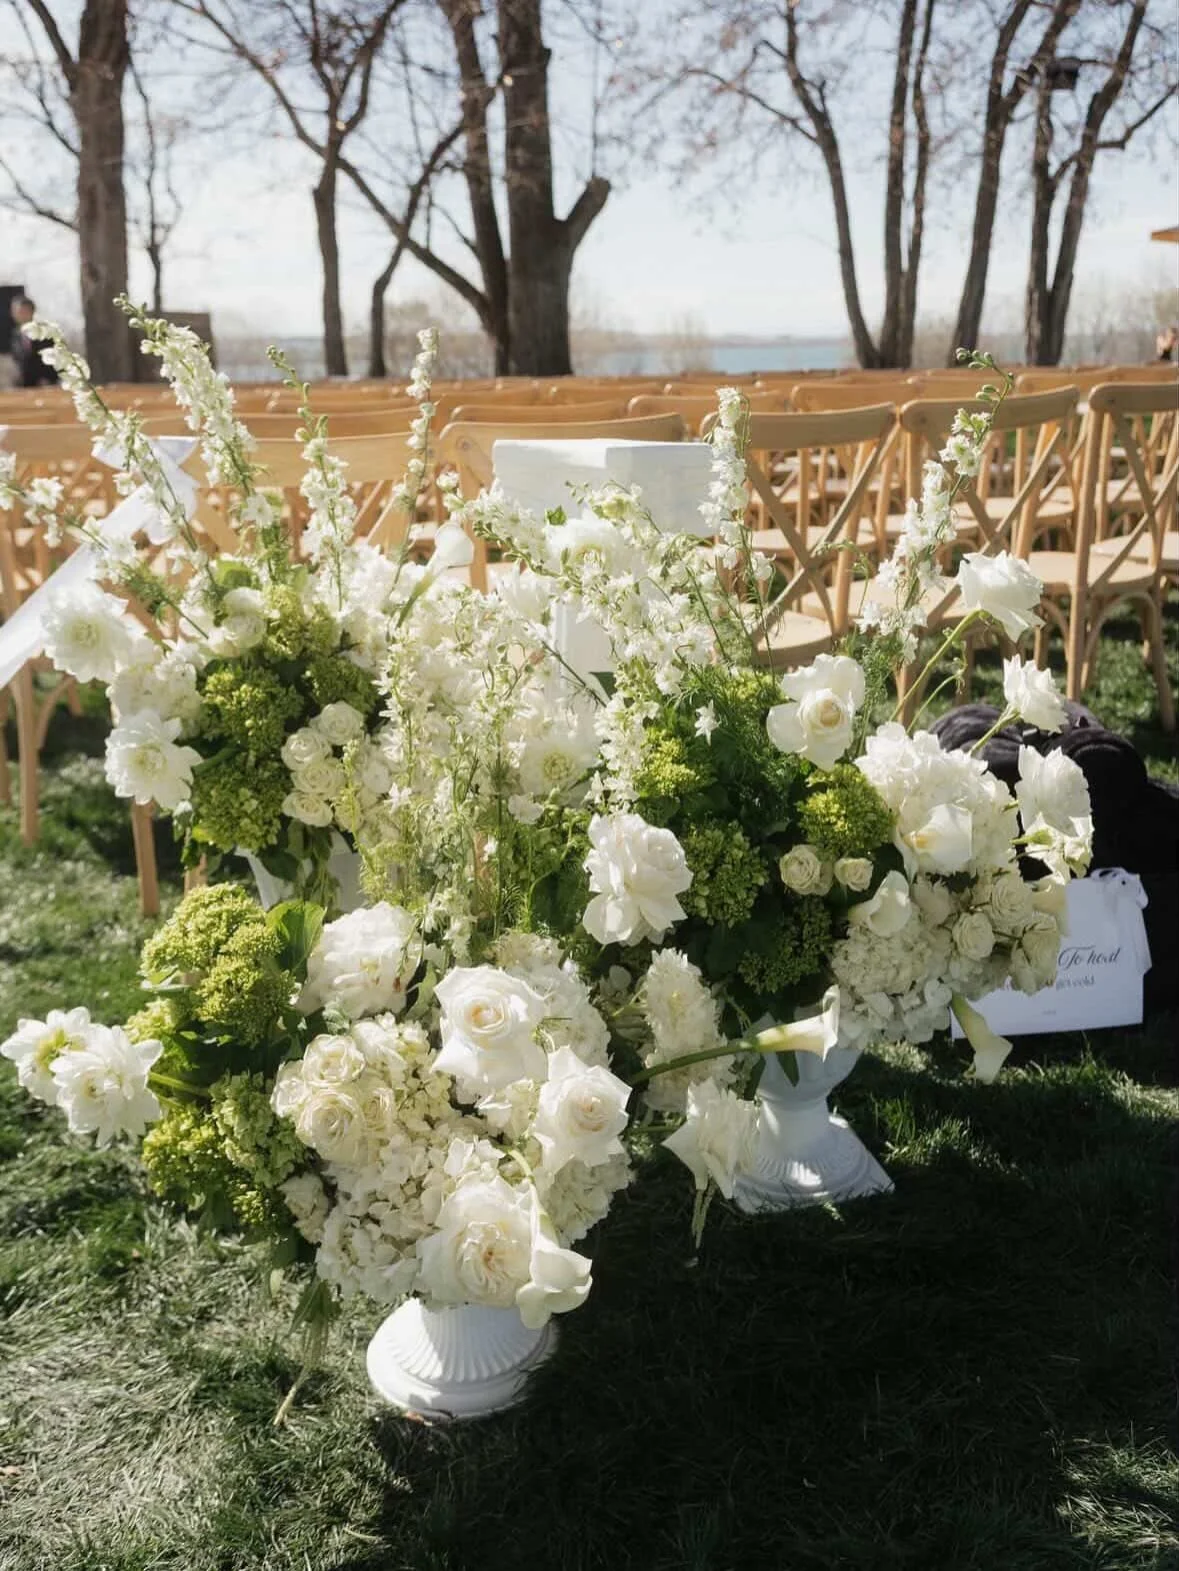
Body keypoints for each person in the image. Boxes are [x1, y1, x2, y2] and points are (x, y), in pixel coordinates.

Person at [9, 295, 59, 388]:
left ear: (32, 312)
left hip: (44, 384)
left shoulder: (44, 333)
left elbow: (52, 358)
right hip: (23, 387)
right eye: (18, 312)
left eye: (24, 311)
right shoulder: (15, 336)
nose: (21, 314)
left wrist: (48, 379)